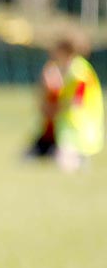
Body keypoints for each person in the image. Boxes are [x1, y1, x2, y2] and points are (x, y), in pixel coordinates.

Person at [47, 30, 103, 172]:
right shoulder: (69, 68)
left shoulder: (78, 69)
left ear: (65, 50)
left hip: (79, 123)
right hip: (71, 122)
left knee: (65, 161)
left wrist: (59, 107)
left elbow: (77, 98)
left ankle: (79, 162)